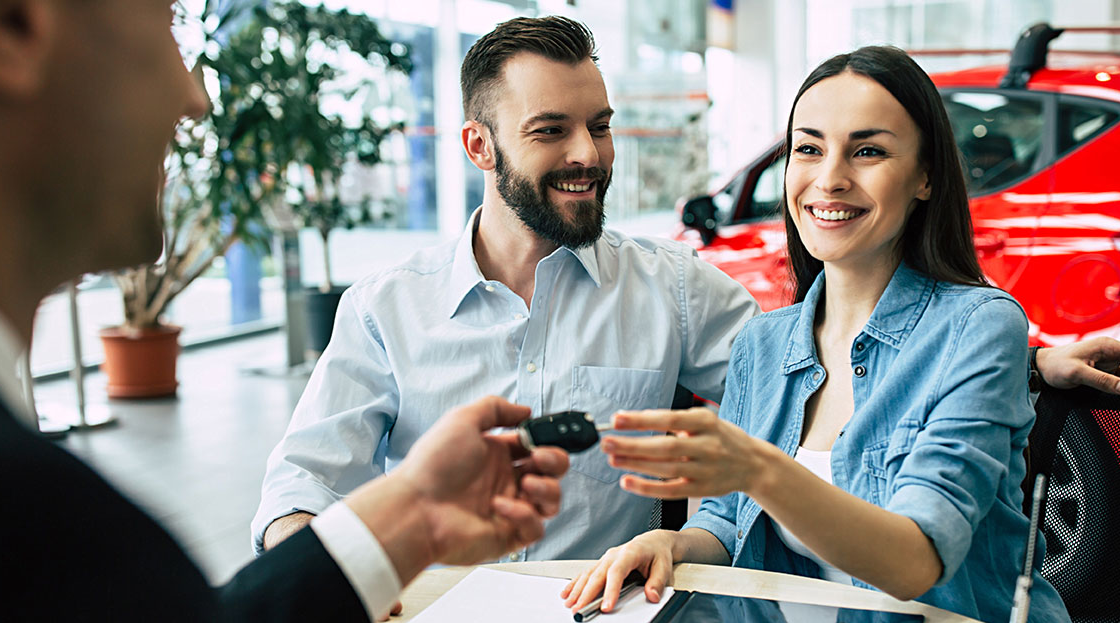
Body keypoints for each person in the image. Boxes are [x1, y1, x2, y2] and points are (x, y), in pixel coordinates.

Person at [0, 2, 568, 623]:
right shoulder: (35, 521)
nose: (194, 99)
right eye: (164, 27)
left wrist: (413, 516)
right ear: (15, 25)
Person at [560, 46, 1120, 623]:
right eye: (808, 149)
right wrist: (667, 541)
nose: (828, 179)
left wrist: (758, 469)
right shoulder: (764, 345)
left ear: (926, 178)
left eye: (868, 152)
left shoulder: (980, 327)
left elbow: (916, 560)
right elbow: (727, 521)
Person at [252, 15, 761, 563]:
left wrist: (707, 532)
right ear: (480, 146)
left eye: (599, 126)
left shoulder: (674, 287)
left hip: (599, 612)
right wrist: (326, 585)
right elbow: (303, 485)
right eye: (550, 130)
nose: (588, 154)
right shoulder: (385, 308)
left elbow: (801, 399)